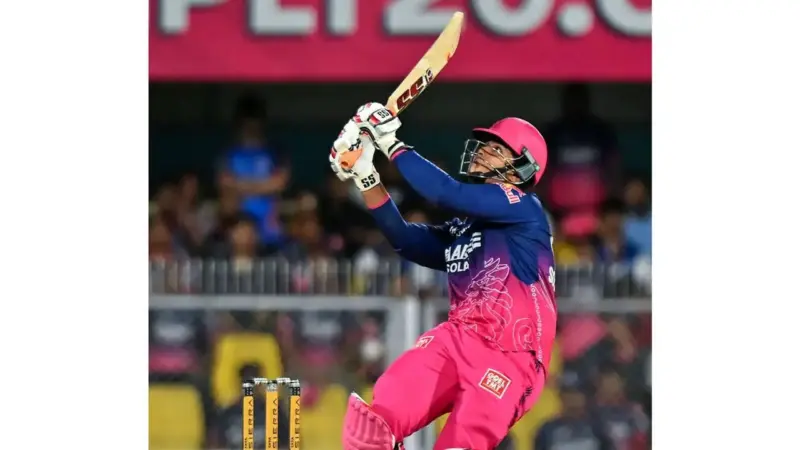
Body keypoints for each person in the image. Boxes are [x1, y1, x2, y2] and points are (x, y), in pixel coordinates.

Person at [329, 103, 558, 450]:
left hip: (511, 353)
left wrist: (391, 143)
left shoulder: (524, 208)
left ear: (524, 167)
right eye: (484, 145)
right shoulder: (465, 228)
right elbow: (405, 240)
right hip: (457, 338)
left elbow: (446, 193)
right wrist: (366, 174)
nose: (483, 152)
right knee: (373, 426)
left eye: (496, 149)